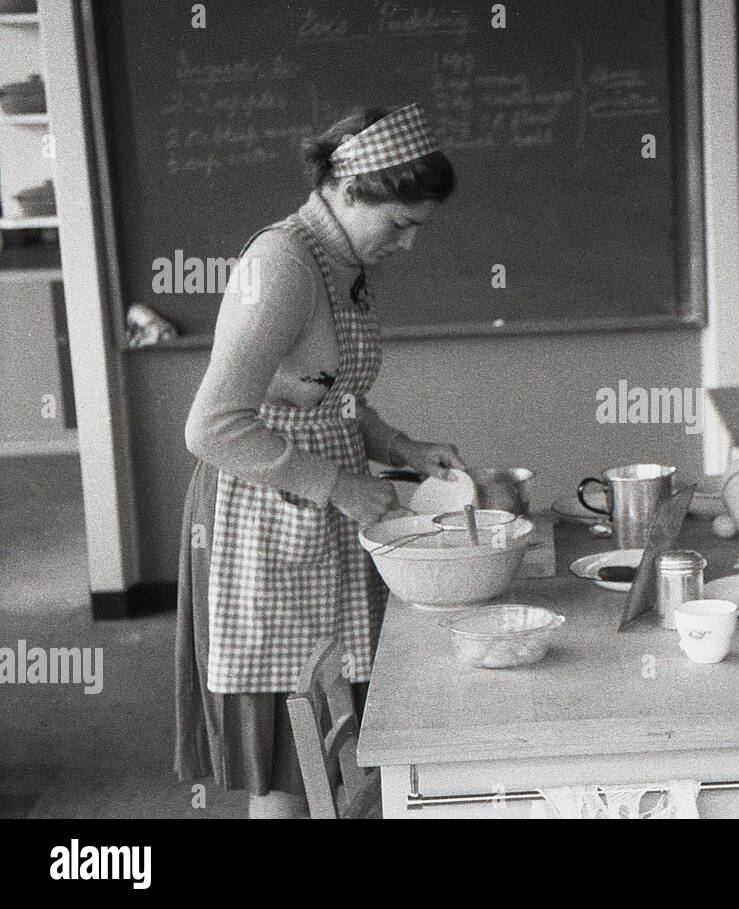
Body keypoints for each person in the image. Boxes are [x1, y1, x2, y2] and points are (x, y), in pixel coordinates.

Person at [175, 104, 466, 818]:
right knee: (288, 755)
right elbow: (210, 428)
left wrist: (401, 448)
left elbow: (332, 398)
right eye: (401, 223)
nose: (409, 244)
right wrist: (337, 486)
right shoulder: (284, 266)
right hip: (260, 528)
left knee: (327, 749)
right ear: (352, 187)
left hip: (314, 519)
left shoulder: (338, 260)